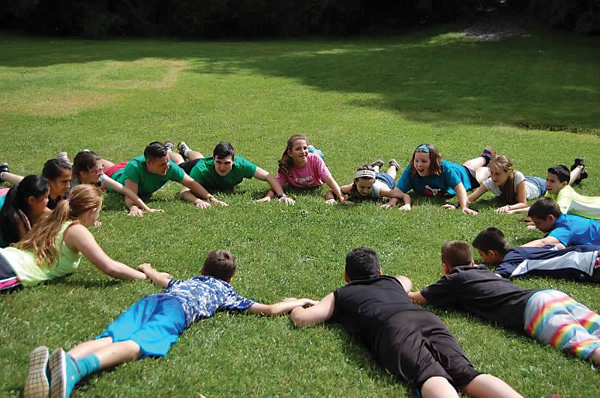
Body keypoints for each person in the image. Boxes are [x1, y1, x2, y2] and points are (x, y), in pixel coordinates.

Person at [23, 249, 316, 398]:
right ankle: (76, 370)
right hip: (177, 311)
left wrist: (147, 267)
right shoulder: (225, 291)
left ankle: (64, 359)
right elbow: (268, 309)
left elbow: (162, 279)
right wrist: (299, 300)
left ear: (202, 269)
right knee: (139, 344)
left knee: (111, 336)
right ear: (231, 279)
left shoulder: (190, 280)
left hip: (152, 301)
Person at [289, 247, 522, 398]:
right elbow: (406, 280)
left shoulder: (341, 293)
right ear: (379, 271)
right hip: (427, 319)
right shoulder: (394, 281)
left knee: (430, 375)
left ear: (346, 276)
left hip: (392, 327)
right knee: (466, 374)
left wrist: (297, 304)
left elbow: (303, 319)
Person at [408, 241, 600, 366]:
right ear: (473, 261)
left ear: (445, 268)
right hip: (551, 295)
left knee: (586, 346)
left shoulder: (454, 280)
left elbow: (417, 298)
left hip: (536, 310)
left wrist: (403, 285)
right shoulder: (485, 271)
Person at [0, 185, 147, 292]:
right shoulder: (76, 230)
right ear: (92, 211)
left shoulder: (54, 220)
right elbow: (110, 267)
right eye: (99, 211)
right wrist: (144, 276)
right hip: (10, 270)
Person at [106, 142, 226, 216]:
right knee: (102, 165)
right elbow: (130, 196)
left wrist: (211, 199)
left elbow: (191, 183)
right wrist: (133, 208)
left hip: (127, 170)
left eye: (168, 162)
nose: (167, 166)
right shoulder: (134, 168)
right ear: (149, 163)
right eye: (162, 165)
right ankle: (87, 154)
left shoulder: (169, 167)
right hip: (114, 174)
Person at [167, 141, 294, 205]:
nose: (222, 167)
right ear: (214, 159)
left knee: (199, 157)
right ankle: (168, 150)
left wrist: (281, 196)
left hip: (203, 161)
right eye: (219, 162)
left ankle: (186, 150)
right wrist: (198, 201)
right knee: (180, 164)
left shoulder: (241, 164)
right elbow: (183, 192)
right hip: (196, 165)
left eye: (227, 163)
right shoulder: (201, 169)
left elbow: (268, 176)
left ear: (233, 160)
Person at [386, 144, 493, 215]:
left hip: (463, 175)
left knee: (479, 174)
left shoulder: (444, 169)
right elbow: (399, 191)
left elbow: (460, 188)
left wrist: (464, 207)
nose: (419, 165)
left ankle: (489, 161)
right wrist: (393, 201)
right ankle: (485, 157)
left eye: (424, 161)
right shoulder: (411, 171)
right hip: (458, 168)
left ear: (433, 162)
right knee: (466, 166)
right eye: (416, 160)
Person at [472, 227, 600, 281]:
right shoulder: (522, 251)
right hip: (588, 251)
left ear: (492, 253)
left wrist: (478, 270)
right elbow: (558, 246)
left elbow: (497, 277)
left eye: (482, 255)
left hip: (587, 263)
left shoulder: (512, 259)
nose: (482, 259)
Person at [71, 150, 162, 216]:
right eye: (97, 170)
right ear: (83, 174)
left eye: (102, 168)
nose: (101, 172)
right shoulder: (71, 184)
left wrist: (146, 208)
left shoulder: (101, 176)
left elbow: (126, 191)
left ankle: (85, 153)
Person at [273, 135, 345, 204]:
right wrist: (269, 197)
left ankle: (311, 148)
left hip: (315, 156)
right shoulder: (285, 166)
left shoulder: (315, 159)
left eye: (304, 148)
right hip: (308, 158)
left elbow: (329, 179)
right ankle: (310, 148)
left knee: (319, 155)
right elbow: (276, 185)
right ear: (290, 153)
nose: (302, 151)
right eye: (298, 149)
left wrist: (341, 198)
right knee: (309, 155)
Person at [463, 156, 546, 214]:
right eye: (491, 173)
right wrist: (456, 205)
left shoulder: (517, 176)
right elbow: (471, 198)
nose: (494, 177)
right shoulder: (491, 181)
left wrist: (508, 207)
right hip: (525, 181)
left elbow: (523, 203)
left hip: (538, 185)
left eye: (497, 174)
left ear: (508, 172)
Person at [331, 160, 411, 209]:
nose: (365, 190)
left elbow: (404, 195)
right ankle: (376, 165)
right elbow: (332, 191)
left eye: (369, 187)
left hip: (385, 181)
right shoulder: (351, 187)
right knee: (375, 173)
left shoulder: (380, 190)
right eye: (362, 187)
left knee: (390, 175)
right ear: (356, 182)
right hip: (373, 177)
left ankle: (393, 165)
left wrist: (406, 205)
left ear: (373, 183)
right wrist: (336, 199)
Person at [524, 198, 600, 248]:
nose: (537, 227)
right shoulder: (568, 219)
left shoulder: (564, 228)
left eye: (538, 223)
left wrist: (515, 251)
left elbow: (544, 243)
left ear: (550, 218)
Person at [0, 158, 72, 210]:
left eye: (70, 181)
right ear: (49, 180)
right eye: (64, 182)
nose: (68, 185)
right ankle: (3, 174)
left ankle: (3, 173)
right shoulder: (40, 197)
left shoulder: (63, 194)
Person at [0, 175, 50, 248]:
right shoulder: (17, 221)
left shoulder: (20, 196)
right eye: (46, 197)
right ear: (31, 200)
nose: (47, 201)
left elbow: (52, 214)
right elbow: (24, 247)